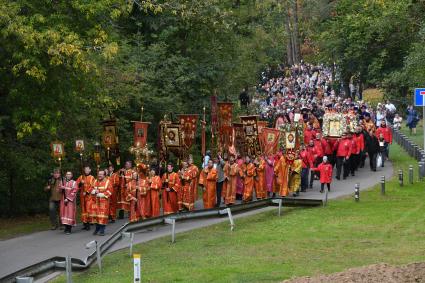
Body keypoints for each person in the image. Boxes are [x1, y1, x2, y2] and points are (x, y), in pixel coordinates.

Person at [90, 170, 112, 236]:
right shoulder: (95, 181)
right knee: (96, 216)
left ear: (104, 175)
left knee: (102, 217)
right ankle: (97, 228)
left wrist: (102, 194)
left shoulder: (108, 182)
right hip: (95, 202)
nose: (99, 175)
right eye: (99, 174)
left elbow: (110, 191)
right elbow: (90, 189)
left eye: (101, 174)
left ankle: (102, 230)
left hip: (104, 202)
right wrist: (94, 191)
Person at [76, 166, 95, 231]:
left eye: (87, 169)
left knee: (88, 209)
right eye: (85, 169)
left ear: (90, 170)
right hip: (82, 196)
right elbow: (76, 185)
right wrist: (81, 183)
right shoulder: (81, 177)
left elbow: (93, 186)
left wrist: (87, 192)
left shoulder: (92, 177)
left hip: (89, 196)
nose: (86, 170)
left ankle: (88, 223)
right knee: (83, 210)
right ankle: (85, 223)